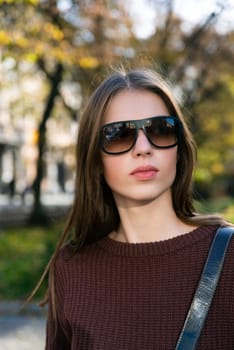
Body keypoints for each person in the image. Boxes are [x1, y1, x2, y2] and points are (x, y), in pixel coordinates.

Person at [42, 67, 233, 349]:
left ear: (178, 149)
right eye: (118, 135)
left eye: (161, 129)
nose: (143, 147)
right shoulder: (71, 269)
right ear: (95, 160)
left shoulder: (230, 258)